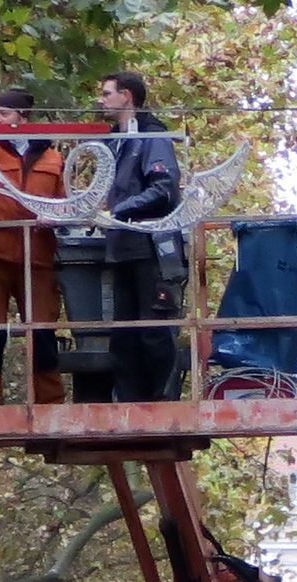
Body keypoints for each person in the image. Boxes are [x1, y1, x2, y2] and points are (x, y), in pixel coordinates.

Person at [0, 88, 67, 407]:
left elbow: (65, 203)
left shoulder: (53, 157)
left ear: (24, 118)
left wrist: (56, 216)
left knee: (43, 332)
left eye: (3, 114)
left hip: (37, 255)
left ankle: (50, 403)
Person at [91, 71, 183, 404]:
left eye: (106, 93)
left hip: (152, 249)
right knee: (124, 336)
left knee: (153, 332)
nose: (101, 100)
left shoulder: (153, 137)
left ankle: (159, 402)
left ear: (126, 96)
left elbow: (163, 189)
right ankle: (129, 404)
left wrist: (117, 212)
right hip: (122, 249)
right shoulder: (114, 144)